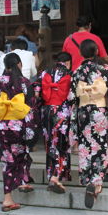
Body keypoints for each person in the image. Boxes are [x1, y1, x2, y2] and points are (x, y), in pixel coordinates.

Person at [68, 39, 108, 208]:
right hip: (99, 112)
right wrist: (107, 97)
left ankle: (88, 180)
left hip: (83, 113)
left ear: (80, 53)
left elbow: (72, 96)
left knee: (86, 146)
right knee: (100, 145)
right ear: (96, 52)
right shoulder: (103, 69)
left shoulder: (77, 71)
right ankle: (97, 182)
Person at [0, 53, 38, 212]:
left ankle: (8, 197)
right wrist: (32, 129)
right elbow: (31, 108)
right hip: (20, 126)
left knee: (8, 161)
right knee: (22, 156)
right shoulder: (25, 83)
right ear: (19, 64)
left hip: (4, 126)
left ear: (5, 66)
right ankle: (22, 182)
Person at [33, 51, 73, 193]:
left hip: (47, 112)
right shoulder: (70, 73)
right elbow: (72, 96)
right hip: (62, 113)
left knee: (50, 144)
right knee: (62, 145)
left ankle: (52, 175)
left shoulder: (44, 73)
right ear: (68, 62)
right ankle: (56, 178)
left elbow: (36, 92)